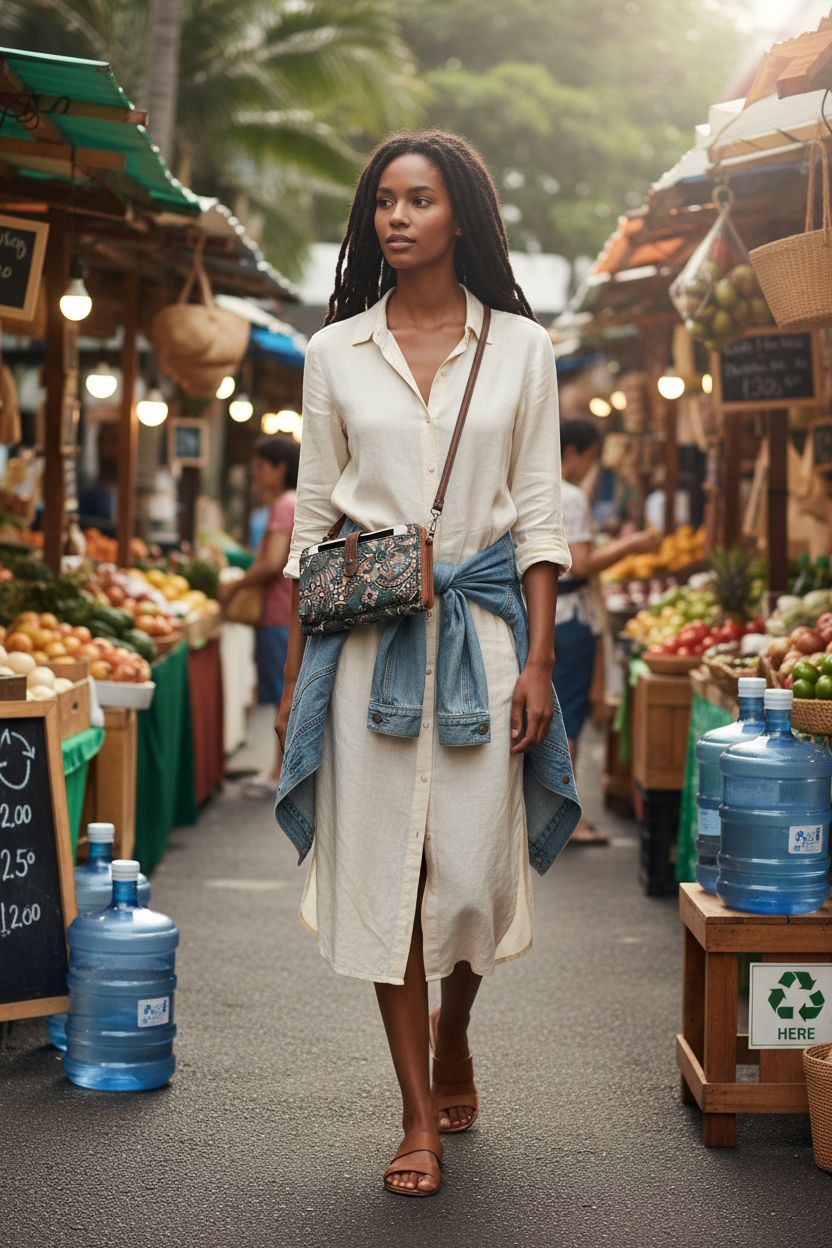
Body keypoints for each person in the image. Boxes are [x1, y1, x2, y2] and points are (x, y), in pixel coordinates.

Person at [274, 130, 580, 1199]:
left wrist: (539, 662)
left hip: (486, 644)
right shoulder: (333, 355)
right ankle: (415, 1115)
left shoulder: (523, 350)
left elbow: (539, 519)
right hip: (365, 649)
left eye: (419, 200)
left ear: (461, 217)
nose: (396, 219)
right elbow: (314, 529)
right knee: (389, 881)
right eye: (383, 203)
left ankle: (458, 1027)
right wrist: (292, 691)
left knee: (468, 870)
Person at [555, 419, 659, 843]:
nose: (590, 466)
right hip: (568, 617)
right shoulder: (570, 495)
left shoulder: (520, 485)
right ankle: (567, 820)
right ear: (573, 453)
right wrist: (632, 546)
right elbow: (579, 564)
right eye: (590, 457)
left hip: (531, 613)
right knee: (568, 718)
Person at [219, 435, 299, 795]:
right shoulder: (296, 502)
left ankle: (278, 773)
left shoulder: (283, 505)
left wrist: (235, 586)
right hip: (288, 611)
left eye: (261, 468)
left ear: (279, 468)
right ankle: (279, 770)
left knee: (284, 694)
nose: (257, 475)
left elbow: (273, 562)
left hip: (280, 611)